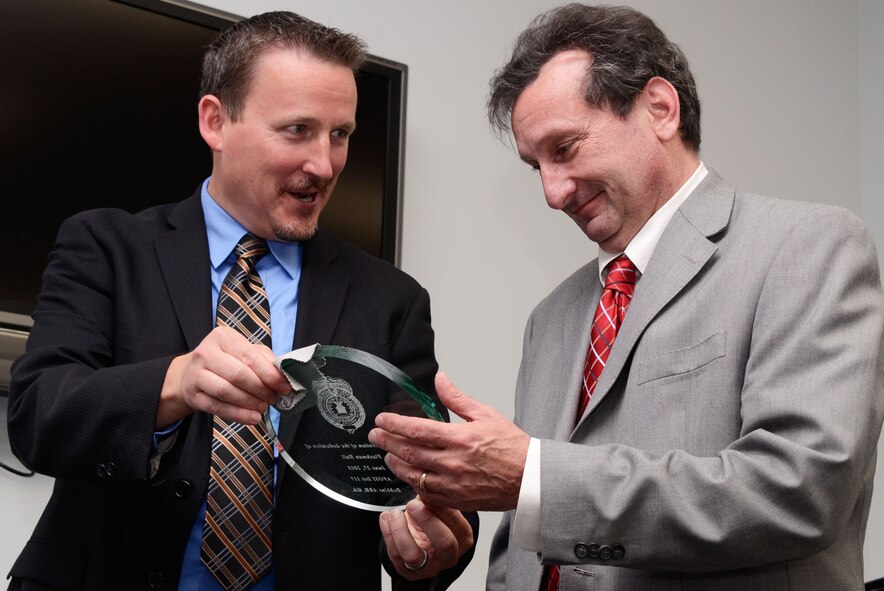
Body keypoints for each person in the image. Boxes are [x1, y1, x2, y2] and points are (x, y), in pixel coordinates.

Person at [368, 3, 884, 590]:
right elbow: (525, 546)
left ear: (660, 109)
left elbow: (800, 491)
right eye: (535, 165)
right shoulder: (552, 317)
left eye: (564, 149)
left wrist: (532, 475)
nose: (552, 193)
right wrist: (449, 540)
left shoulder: (809, 246)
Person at [6, 11, 476, 591]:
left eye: (341, 135)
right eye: (297, 130)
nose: (324, 165)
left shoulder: (390, 298)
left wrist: (423, 549)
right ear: (215, 121)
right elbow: (38, 417)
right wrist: (174, 384)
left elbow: (433, 492)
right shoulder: (105, 247)